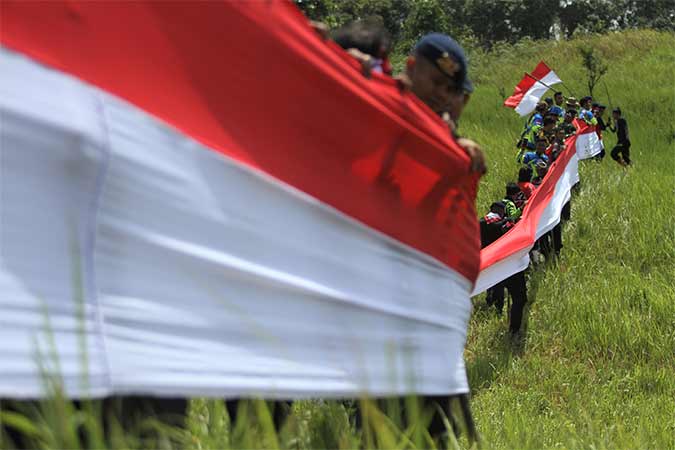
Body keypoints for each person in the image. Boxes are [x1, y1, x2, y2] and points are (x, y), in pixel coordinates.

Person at [403, 33, 486, 173]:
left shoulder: (438, 125)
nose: (443, 95)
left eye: (450, 89)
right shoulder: (374, 100)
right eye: (436, 81)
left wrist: (454, 147)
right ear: (411, 67)